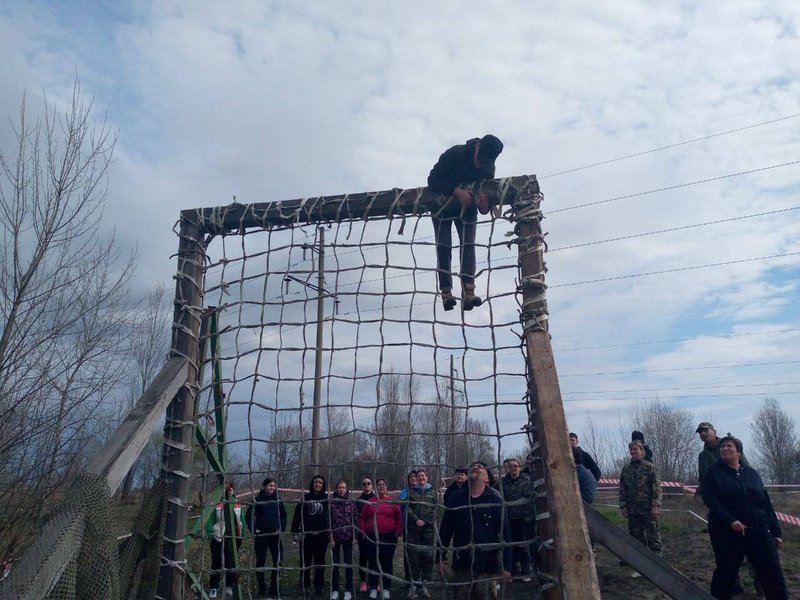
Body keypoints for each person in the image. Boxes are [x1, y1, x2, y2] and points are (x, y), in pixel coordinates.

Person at [702, 436, 788, 600]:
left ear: (739, 452)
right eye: (722, 447)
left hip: (758, 530)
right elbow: (711, 500)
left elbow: (765, 502)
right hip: (727, 532)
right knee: (726, 574)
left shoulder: (751, 473)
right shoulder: (714, 473)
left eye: (729, 446)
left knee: (772, 572)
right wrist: (730, 520)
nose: (724, 449)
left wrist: (776, 532)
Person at [427, 134, 504, 311]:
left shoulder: (488, 167)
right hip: (442, 207)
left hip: (468, 209)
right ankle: (446, 292)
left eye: (484, 162)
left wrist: (483, 207)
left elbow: (486, 202)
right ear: (477, 147)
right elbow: (432, 180)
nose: (479, 164)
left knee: (468, 245)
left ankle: (468, 290)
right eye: (479, 160)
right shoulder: (455, 154)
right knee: (444, 245)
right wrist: (456, 191)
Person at [438, 463, 512, 600]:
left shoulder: (496, 500)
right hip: (462, 562)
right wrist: (440, 557)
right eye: (473, 466)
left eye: (480, 466)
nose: (476, 466)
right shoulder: (455, 498)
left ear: (487, 479)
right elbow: (445, 529)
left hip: (487, 565)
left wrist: (507, 565)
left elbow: (505, 534)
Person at [696, 422, 753, 595]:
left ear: (714, 431)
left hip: (739, 504)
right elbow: (703, 479)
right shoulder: (703, 456)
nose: (703, 434)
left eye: (706, 431)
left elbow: (747, 471)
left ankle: (760, 586)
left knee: (751, 547)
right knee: (722, 549)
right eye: (700, 432)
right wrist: (702, 492)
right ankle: (733, 583)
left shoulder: (730, 446)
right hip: (718, 507)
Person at [359, 478, 403, 600]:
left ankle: (386, 588)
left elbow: (399, 518)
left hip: (389, 537)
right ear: (376, 487)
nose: (381, 486)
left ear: (386, 487)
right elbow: (362, 518)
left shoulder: (392, 502)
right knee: (373, 562)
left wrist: (397, 533)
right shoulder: (370, 502)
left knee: (387, 562)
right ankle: (373, 587)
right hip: (372, 536)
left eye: (383, 484)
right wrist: (363, 532)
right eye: (379, 485)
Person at [246, 478, 287, 599]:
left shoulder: (278, 500)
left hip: (275, 534)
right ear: (264, 486)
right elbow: (249, 517)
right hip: (262, 535)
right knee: (261, 560)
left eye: (274, 486)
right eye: (270, 485)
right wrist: (254, 530)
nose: (272, 488)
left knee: (278, 560)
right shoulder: (257, 500)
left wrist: (282, 528)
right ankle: (262, 587)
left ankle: (274, 588)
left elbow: (283, 516)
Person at [619, 440, 662, 555]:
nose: (633, 452)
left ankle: (659, 566)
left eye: (635, 449)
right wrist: (623, 507)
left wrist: (655, 506)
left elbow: (657, 487)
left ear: (641, 451)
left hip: (648, 509)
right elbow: (622, 488)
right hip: (632, 510)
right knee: (636, 538)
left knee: (653, 537)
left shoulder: (649, 467)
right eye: (631, 450)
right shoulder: (626, 469)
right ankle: (642, 566)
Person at [291, 475, 331, 596]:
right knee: (305, 561)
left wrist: (330, 533)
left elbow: (330, 517)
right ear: (312, 484)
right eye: (316, 482)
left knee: (320, 562)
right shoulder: (305, 498)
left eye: (320, 482)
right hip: (306, 535)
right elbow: (297, 515)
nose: (318, 484)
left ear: (323, 485)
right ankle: (305, 585)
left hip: (321, 536)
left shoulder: (327, 499)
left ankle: (319, 586)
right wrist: (294, 531)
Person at [206, 482, 245, 599]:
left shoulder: (237, 504)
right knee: (216, 562)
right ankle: (214, 586)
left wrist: (242, 534)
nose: (229, 491)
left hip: (234, 537)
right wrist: (210, 534)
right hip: (218, 536)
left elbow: (241, 519)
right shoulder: (217, 505)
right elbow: (210, 521)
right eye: (227, 489)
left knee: (230, 562)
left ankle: (229, 585)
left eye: (231, 489)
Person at [500, 458, 535, 581]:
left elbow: (527, 498)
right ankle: (512, 571)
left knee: (524, 545)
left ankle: (526, 571)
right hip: (509, 519)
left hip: (524, 518)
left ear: (519, 467)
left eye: (515, 466)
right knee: (511, 545)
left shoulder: (526, 480)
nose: (513, 468)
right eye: (511, 466)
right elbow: (500, 496)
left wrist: (508, 504)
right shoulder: (504, 482)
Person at [406, 469, 437, 598]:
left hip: (428, 530)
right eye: (418, 476)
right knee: (413, 557)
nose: (421, 478)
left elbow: (435, 509)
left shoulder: (433, 492)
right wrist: (416, 520)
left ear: (427, 477)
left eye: (423, 475)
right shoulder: (411, 492)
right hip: (413, 529)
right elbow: (407, 507)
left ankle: (425, 584)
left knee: (427, 557)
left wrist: (424, 521)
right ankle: (414, 584)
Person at [330, 480, 358, 600]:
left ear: (346, 489)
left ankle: (348, 589)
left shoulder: (351, 502)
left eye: (344, 487)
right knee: (335, 564)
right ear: (336, 489)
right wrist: (330, 537)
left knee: (348, 563)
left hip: (348, 537)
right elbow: (328, 520)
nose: (342, 489)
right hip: (335, 538)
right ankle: (335, 589)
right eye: (340, 487)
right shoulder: (331, 502)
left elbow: (355, 519)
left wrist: (355, 537)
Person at [356, 477, 376, 593]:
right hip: (362, 533)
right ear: (362, 486)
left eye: (368, 483)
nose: (366, 485)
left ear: (372, 485)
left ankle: (374, 581)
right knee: (363, 557)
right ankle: (363, 581)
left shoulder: (376, 499)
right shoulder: (358, 501)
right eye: (364, 483)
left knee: (374, 557)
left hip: (375, 533)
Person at [398, 470, 417, 583]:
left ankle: (419, 579)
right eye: (411, 477)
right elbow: (400, 510)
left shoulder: (424, 491)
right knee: (407, 553)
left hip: (420, 527)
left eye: (415, 476)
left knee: (419, 553)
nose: (413, 479)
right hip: (407, 526)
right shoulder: (404, 492)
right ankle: (408, 578)